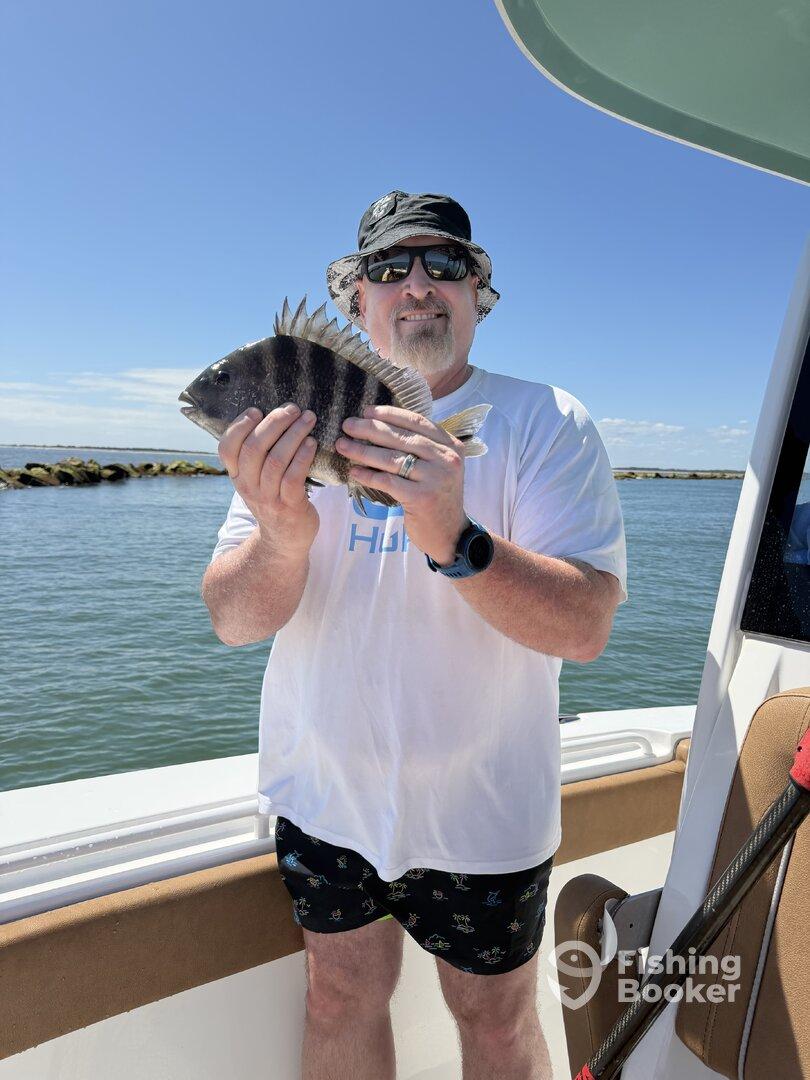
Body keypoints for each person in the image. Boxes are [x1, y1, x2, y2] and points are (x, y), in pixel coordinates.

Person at [201, 190, 628, 1080]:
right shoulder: (286, 433)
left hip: (484, 810)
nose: (419, 285)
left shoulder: (547, 421)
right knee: (338, 996)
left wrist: (454, 537)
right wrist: (282, 534)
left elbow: (584, 627)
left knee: (498, 1024)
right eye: (390, 268)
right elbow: (234, 621)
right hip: (323, 801)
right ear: (358, 300)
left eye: (446, 265)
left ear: (479, 293)